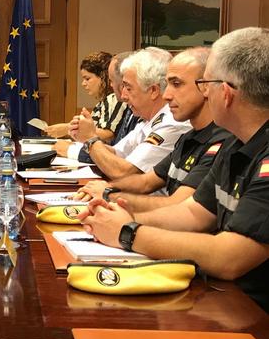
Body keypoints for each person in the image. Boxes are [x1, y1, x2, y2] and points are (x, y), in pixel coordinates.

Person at [80, 27, 269, 311]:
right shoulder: (236, 144)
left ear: (226, 93)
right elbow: (193, 213)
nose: (205, 91)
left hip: (252, 319)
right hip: (222, 299)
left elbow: (232, 257)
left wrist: (129, 233)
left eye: (206, 83)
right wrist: (118, 213)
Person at [74, 47, 231, 212]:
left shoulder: (214, 138)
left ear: (205, 87)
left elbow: (179, 208)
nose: (167, 95)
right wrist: (105, 187)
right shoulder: (190, 136)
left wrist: (109, 194)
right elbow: (145, 182)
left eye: (176, 84)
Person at [60, 48, 191, 180]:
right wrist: (85, 137)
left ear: (153, 91)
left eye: (128, 88)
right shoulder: (146, 121)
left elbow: (123, 172)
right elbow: (116, 152)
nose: (123, 96)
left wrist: (91, 139)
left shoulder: (171, 124)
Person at [45, 51, 125, 141]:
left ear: (103, 76)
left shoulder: (113, 99)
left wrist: (68, 128)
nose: (83, 84)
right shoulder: (102, 104)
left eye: (87, 78)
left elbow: (108, 135)